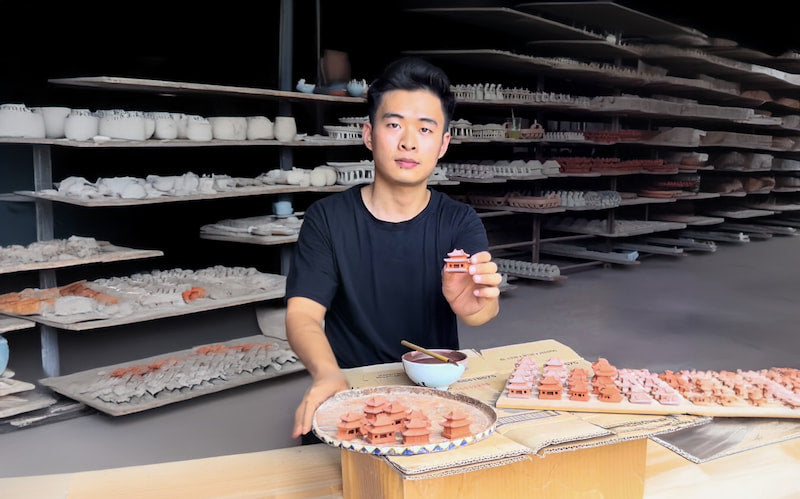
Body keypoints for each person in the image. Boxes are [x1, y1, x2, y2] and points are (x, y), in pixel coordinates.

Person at [285, 56, 501, 441]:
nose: (408, 141)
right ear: (369, 134)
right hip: (352, 389)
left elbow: (482, 311)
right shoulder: (327, 219)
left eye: (425, 128)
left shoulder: (458, 221)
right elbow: (302, 315)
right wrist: (327, 373)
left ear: (443, 144)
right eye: (394, 124)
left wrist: (476, 306)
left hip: (431, 394)